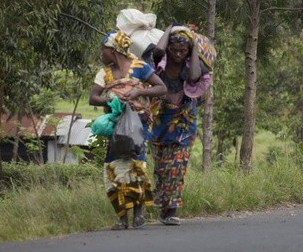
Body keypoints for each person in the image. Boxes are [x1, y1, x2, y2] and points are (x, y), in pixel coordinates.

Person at [89, 31, 167, 230]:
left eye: (104, 49)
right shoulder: (104, 73)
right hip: (116, 125)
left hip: (138, 124)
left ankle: (139, 213)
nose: (101, 53)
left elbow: (161, 88)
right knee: (113, 168)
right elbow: (93, 97)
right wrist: (111, 99)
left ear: (114, 50)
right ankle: (122, 217)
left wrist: (139, 91)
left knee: (136, 166)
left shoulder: (140, 67)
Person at [150, 25, 212, 226]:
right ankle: (163, 209)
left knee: (177, 165)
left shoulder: (191, 67)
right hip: (160, 121)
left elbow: (194, 76)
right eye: (174, 50)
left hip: (183, 122)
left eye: (182, 51)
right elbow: (157, 51)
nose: (177, 54)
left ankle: (172, 212)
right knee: (161, 168)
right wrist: (169, 30)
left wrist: (194, 48)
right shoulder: (160, 62)